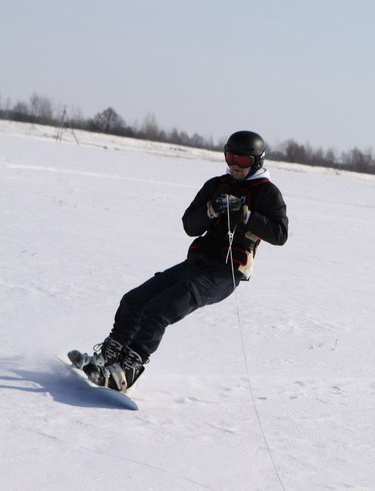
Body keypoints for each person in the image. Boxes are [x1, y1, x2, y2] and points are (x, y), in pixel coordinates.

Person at [69, 130, 289, 392]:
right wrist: (210, 210)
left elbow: (280, 233)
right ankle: (109, 356)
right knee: (134, 300)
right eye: (230, 157)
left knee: (160, 309)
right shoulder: (216, 185)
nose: (234, 165)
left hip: (224, 273)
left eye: (242, 161)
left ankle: (126, 371)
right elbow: (189, 225)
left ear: (256, 162)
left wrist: (245, 214)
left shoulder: (267, 192)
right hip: (196, 264)